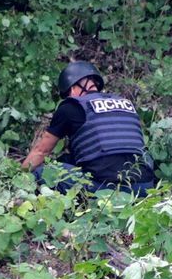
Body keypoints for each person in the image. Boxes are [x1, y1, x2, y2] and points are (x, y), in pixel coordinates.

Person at [21, 60, 156, 196]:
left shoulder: (71, 107)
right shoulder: (126, 104)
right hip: (143, 189)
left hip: (105, 191)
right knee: (67, 159)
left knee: (41, 172)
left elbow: (40, 151)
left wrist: (18, 179)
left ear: (72, 89)